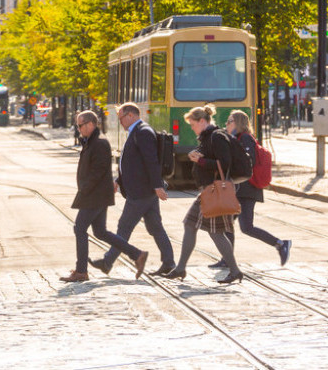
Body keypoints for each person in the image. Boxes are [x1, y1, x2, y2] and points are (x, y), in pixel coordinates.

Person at [61, 110, 148, 282]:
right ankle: (137, 254)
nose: (78, 129)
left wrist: (84, 189)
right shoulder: (91, 141)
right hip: (96, 194)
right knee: (100, 232)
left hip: (95, 195)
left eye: (80, 125)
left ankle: (81, 271)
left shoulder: (99, 143)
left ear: (91, 124)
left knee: (79, 228)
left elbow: (98, 171)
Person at [90, 103, 175, 277]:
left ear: (130, 115)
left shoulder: (143, 132)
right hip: (143, 190)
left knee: (124, 226)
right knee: (155, 227)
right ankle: (169, 263)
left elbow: (151, 161)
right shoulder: (136, 132)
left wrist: (158, 185)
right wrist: (118, 181)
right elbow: (132, 164)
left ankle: (107, 262)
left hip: (141, 191)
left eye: (121, 117)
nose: (120, 121)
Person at [163, 104, 243, 284]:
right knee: (192, 225)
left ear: (202, 121)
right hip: (209, 191)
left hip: (214, 191)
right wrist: (199, 158)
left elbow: (224, 163)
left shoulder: (216, 137)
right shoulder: (208, 138)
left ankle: (234, 270)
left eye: (192, 124)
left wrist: (201, 160)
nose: (191, 128)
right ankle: (181, 268)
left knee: (213, 232)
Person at [209, 110, 291, 269]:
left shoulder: (245, 138)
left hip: (247, 190)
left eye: (229, 121)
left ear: (238, 122)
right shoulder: (236, 138)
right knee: (227, 223)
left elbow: (248, 161)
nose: (227, 124)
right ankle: (227, 259)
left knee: (246, 227)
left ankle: (281, 244)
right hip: (239, 189)